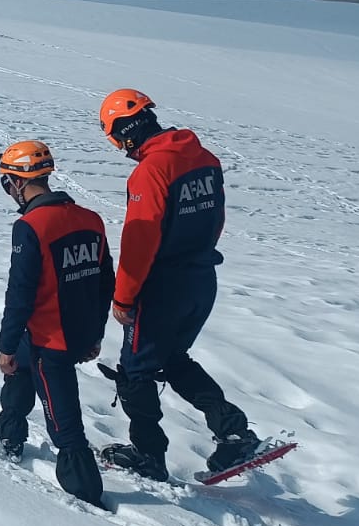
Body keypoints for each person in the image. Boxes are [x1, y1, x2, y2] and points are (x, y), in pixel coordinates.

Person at [95, 89, 262, 481]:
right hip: (202, 279)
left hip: (161, 288)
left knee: (135, 372)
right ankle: (233, 430)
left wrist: (124, 296)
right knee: (172, 359)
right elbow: (215, 218)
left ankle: (148, 455)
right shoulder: (204, 159)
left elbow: (140, 239)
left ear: (124, 131)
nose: (120, 147)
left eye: (117, 138)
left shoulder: (151, 170)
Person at [0, 140, 109, 509]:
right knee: (19, 369)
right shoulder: (90, 219)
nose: (6, 190)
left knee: (64, 420)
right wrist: (96, 332)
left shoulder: (32, 226)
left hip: (51, 339)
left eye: (6, 182)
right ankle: (9, 435)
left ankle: (85, 490)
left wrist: (4, 345)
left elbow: (20, 293)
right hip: (75, 330)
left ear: (17, 183)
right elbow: (104, 281)